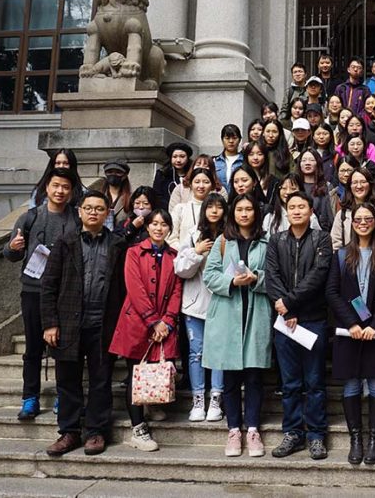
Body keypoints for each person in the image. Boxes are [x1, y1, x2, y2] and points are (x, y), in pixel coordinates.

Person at [40, 190, 128, 457]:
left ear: (107, 213)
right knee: (68, 380)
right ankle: (69, 431)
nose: (93, 213)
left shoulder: (117, 244)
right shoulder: (65, 242)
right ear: (79, 211)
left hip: (103, 323)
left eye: (99, 209)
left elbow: (124, 287)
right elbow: (48, 285)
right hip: (68, 323)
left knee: (101, 380)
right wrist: (50, 323)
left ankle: (96, 431)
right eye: (88, 208)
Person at [327, 201, 375, 466]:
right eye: (358, 219)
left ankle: (373, 441)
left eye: (368, 219)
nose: (363, 223)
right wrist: (351, 324)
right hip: (350, 332)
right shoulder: (340, 255)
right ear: (351, 224)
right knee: (351, 385)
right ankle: (355, 440)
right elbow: (332, 292)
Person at [4, 167, 79, 421]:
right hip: (33, 289)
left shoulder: (76, 218)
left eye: (65, 187)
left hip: (65, 292)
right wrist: (13, 247)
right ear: (46, 187)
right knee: (34, 347)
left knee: (64, 347)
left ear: (71, 191)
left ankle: (63, 396)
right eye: (56, 185)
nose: (60, 191)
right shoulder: (30, 218)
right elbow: (11, 255)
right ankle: (30, 398)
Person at [263, 191, 333, 460]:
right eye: (291, 207)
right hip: (285, 323)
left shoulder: (321, 238)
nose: (296, 211)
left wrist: (290, 303)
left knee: (314, 381)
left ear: (311, 210)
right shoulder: (276, 239)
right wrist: (286, 309)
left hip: (313, 319)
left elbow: (318, 275)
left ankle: (316, 435)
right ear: (286, 211)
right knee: (290, 382)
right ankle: (292, 432)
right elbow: (272, 276)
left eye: (301, 206)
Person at [202, 192, 272, 458]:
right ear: (233, 213)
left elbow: (275, 276)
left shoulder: (266, 242)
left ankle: (252, 429)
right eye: (239, 209)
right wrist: (231, 282)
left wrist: (257, 278)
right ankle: (233, 429)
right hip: (228, 313)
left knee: (254, 376)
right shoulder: (223, 241)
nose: (244, 214)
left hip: (256, 312)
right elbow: (209, 275)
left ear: (256, 213)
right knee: (230, 378)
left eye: (249, 209)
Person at [108, 209, 183, 452]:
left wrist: (168, 321)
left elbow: (177, 291)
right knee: (135, 372)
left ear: (169, 228)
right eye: (154, 224)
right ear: (147, 227)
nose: (159, 228)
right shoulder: (133, 252)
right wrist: (153, 321)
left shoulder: (174, 255)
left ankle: (151, 403)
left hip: (163, 322)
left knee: (155, 367)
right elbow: (135, 288)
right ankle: (138, 428)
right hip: (137, 321)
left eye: (164, 224)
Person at [173, 192, 227, 423]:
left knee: (219, 353)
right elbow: (180, 269)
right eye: (210, 206)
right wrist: (196, 252)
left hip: (222, 303)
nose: (214, 211)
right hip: (194, 304)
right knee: (196, 352)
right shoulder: (193, 235)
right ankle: (198, 400)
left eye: (219, 207)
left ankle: (216, 399)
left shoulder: (230, 236)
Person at [331, 166, 375, 251]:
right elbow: (336, 246)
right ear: (350, 186)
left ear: (370, 185)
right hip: (348, 258)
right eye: (355, 182)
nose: (359, 186)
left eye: (363, 182)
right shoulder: (342, 215)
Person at [168, 167, 215, 249]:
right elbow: (171, 239)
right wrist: (187, 252)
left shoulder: (216, 210)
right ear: (190, 184)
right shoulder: (180, 209)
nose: (201, 186)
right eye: (197, 182)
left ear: (212, 185)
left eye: (206, 182)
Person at [297, 148, 337, 231]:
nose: (307, 163)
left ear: (318, 163)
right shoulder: (295, 185)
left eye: (311, 160)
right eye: (304, 160)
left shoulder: (327, 186)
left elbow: (330, 216)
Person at [152, 142, 193, 211]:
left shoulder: (193, 174)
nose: (178, 160)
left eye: (182, 156)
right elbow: (157, 195)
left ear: (187, 158)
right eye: (175, 157)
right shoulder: (162, 174)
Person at [102, 160, 132, 230]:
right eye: (109, 172)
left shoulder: (131, 198)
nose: (113, 175)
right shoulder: (98, 196)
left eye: (118, 172)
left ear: (125, 175)